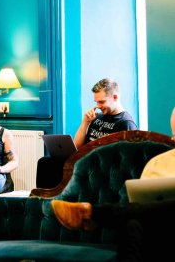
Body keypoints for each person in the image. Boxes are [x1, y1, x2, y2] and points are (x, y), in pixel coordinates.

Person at [51, 107, 175, 262]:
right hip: (163, 230)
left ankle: (95, 214)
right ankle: (98, 214)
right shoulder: (159, 163)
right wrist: (85, 123)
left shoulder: (125, 121)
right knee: (134, 224)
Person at [37, 78, 138, 188]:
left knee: (50, 165)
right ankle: (45, 198)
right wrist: (85, 122)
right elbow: (77, 146)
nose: (98, 106)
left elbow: (126, 160)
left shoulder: (125, 123)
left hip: (99, 166)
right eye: (96, 102)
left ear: (115, 97)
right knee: (45, 162)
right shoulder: (97, 117)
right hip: (85, 159)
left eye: (101, 102)